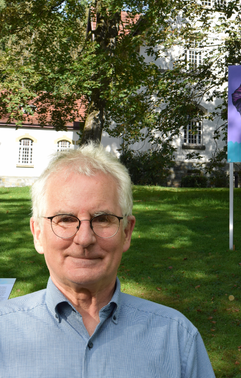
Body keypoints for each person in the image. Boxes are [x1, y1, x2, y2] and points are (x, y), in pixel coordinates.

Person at [0, 144, 215, 378]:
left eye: (102, 219)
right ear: (38, 234)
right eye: (65, 219)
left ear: (126, 232)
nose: (84, 238)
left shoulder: (177, 339)